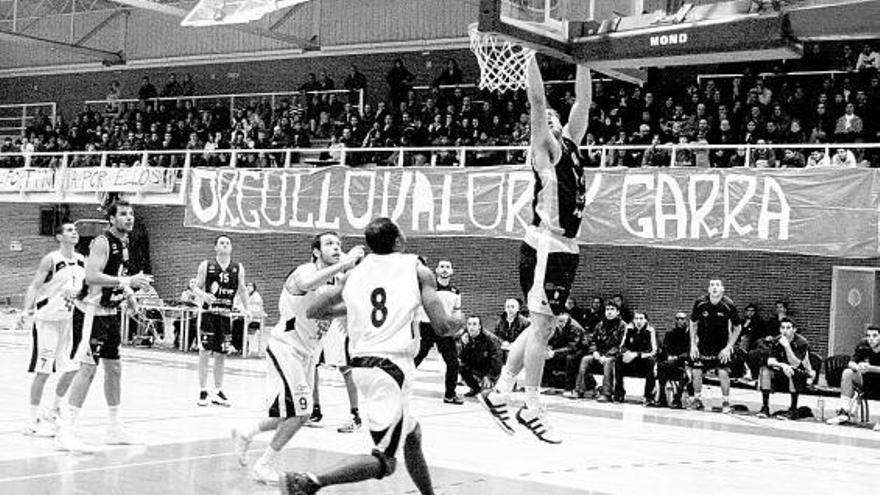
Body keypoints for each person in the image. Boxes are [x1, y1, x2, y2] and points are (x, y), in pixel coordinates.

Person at [278, 217, 463, 495]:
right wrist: (460, 319)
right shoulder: (418, 269)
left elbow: (314, 310)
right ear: (399, 241)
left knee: (411, 434)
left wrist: (355, 307)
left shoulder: (356, 272)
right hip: (392, 368)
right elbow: (442, 327)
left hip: (363, 365)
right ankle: (308, 482)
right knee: (385, 462)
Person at [480, 57, 593, 444]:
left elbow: (584, 101)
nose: (557, 121)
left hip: (566, 247)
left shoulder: (572, 146)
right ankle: (531, 405)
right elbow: (538, 102)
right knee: (543, 327)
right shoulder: (545, 148)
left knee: (540, 325)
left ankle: (499, 393)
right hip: (545, 244)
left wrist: (585, 59)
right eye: (553, 120)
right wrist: (530, 52)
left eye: (560, 120)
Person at [231, 232, 365, 484]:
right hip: (286, 347)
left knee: (288, 414)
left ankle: (246, 431)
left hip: (307, 354)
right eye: (329, 244)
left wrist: (358, 300)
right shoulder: (303, 271)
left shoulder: (335, 280)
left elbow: (325, 313)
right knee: (302, 413)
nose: (336, 247)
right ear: (316, 251)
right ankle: (264, 465)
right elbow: (306, 285)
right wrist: (346, 265)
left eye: (338, 244)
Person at [55, 200, 154, 453]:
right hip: (91, 313)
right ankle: (66, 431)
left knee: (115, 369)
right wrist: (127, 280)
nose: (129, 218)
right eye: (123, 214)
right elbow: (92, 276)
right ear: (111, 219)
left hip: (110, 313)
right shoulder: (102, 242)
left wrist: (129, 295)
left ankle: (114, 427)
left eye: (131, 214)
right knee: (87, 370)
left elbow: (118, 277)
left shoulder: (125, 244)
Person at [20, 223, 85, 436]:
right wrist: (26, 310)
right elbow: (35, 286)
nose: (74, 232)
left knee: (72, 368)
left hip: (67, 320)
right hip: (46, 320)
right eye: (68, 230)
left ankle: (54, 409)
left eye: (75, 230)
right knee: (43, 371)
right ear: (59, 237)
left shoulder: (82, 260)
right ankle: (31, 421)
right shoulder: (52, 259)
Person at [192, 235, 249, 407]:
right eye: (221, 243)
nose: (225, 245)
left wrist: (247, 309)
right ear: (215, 247)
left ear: (231, 248)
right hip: (208, 314)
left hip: (225, 316)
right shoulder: (206, 265)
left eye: (228, 243)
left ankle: (217, 391)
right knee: (204, 352)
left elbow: (242, 289)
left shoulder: (238, 268)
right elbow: (195, 287)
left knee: (221, 354)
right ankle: (203, 390)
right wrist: (204, 295)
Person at [413, 259, 463, 404]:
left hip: (444, 329)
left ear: (452, 271)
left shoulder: (455, 292)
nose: (445, 269)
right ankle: (398, 387)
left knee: (453, 362)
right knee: (416, 358)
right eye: (442, 267)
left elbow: (456, 313)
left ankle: (450, 395)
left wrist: (456, 327)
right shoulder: (428, 288)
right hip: (427, 327)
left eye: (448, 267)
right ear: (436, 270)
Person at [689, 279, 741, 413]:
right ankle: (697, 399)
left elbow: (738, 327)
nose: (714, 287)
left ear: (722, 289)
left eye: (717, 285)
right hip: (703, 345)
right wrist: (693, 345)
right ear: (708, 289)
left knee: (723, 372)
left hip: (721, 347)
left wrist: (728, 348)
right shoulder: (700, 303)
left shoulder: (728, 305)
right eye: (712, 285)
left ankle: (726, 402)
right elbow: (693, 323)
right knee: (696, 371)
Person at [756, 318, 815, 420]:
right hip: (783, 371)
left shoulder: (802, 342)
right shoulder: (777, 340)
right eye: (782, 328)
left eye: (788, 328)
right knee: (765, 370)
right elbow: (770, 361)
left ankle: (793, 410)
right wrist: (783, 365)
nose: (785, 331)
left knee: (792, 370)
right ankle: (765, 408)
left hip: (801, 374)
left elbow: (796, 363)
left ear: (794, 330)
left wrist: (787, 346)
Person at [827, 325, 880, 429]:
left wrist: (870, 368)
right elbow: (851, 362)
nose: (871, 339)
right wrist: (858, 367)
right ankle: (844, 413)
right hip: (866, 380)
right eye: (868, 336)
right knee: (848, 372)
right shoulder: (863, 345)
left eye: (875, 336)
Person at [618, 312, 658, 406]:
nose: (638, 321)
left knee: (650, 362)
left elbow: (653, 350)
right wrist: (626, 353)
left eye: (641, 318)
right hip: (631, 362)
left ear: (646, 320)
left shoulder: (650, 331)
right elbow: (622, 347)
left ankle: (648, 397)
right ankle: (619, 393)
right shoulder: (629, 329)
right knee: (619, 359)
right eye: (636, 318)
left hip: (643, 361)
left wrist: (637, 354)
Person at [458, 316, 504, 397]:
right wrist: (465, 345)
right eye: (469, 324)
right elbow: (462, 358)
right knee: (460, 366)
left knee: (487, 395)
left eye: (474, 324)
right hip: (476, 365)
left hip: (489, 368)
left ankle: (491, 385)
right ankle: (475, 388)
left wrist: (489, 376)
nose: (471, 327)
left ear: (479, 326)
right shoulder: (465, 337)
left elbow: (497, 360)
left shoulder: (490, 339)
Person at [657, 312, 691, 408]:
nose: (679, 321)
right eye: (677, 319)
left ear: (687, 321)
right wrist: (668, 356)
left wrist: (677, 357)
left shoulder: (690, 336)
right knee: (662, 366)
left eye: (682, 318)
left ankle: (677, 399)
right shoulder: (670, 334)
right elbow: (665, 348)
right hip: (670, 361)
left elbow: (689, 351)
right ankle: (662, 398)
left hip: (683, 362)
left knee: (679, 371)